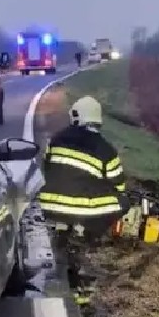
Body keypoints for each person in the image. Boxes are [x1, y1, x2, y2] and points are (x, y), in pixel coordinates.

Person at [38, 96, 129, 305]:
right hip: (82, 211)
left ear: (76, 116)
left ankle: (64, 229)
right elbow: (119, 185)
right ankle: (88, 234)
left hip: (50, 206)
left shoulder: (57, 138)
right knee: (123, 202)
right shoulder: (106, 149)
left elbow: (47, 168)